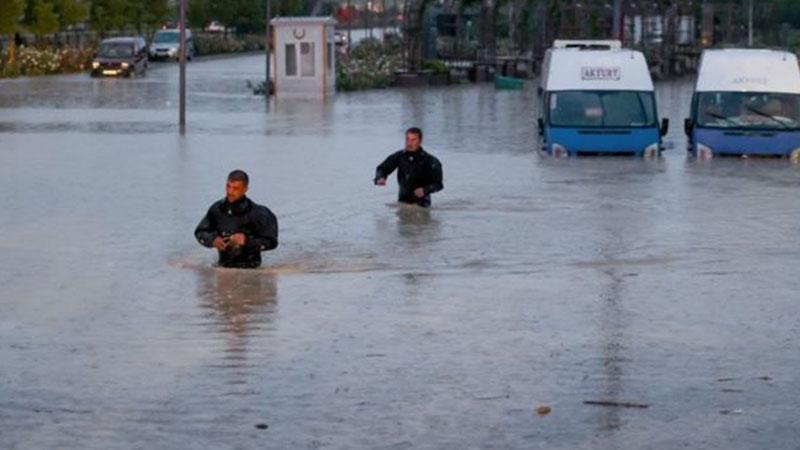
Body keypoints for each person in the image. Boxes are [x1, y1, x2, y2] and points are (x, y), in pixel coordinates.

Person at [195, 170, 278, 268]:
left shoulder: (259, 213)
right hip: (222, 269)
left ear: (245, 189)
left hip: (252, 271)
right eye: (228, 186)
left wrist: (246, 241)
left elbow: (272, 242)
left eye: (235, 188)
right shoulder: (216, 210)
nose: (230, 192)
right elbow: (200, 232)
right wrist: (212, 240)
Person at [374, 127, 443, 208]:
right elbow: (382, 168)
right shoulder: (399, 156)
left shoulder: (431, 161)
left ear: (420, 141)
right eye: (407, 139)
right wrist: (380, 177)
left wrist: (425, 190)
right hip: (402, 203)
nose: (409, 143)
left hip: (422, 206)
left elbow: (438, 185)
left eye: (413, 140)